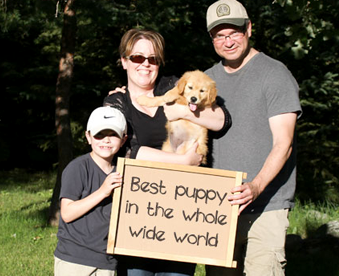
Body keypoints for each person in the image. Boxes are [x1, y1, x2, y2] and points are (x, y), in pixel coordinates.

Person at [103, 28, 232, 276]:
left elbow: (222, 120)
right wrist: (182, 161)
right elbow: (125, 151)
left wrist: (183, 111)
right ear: (124, 61)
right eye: (137, 58)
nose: (145, 64)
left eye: (152, 59)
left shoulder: (175, 86)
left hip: (182, 212)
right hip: (138, 214)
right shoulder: (117, 103)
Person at [204, 1, 302, 276]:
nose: (228, 41)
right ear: (212, 38)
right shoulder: (206, 80)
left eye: (234, 32)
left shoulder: (275, 74)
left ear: (248, 28)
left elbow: (284, 143)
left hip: (266, 204)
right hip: (219, 207)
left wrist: (256, 187)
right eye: (220, 35)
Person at [54, 106, 127, 276]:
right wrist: (103, 191)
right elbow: (67, 213)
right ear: (88, 137)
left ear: (123, 139)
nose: (106, 140)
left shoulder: (123, 172)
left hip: (106, 260)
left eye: (113, 134)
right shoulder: (77, 168)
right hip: (74, 258)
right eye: (99, 134)